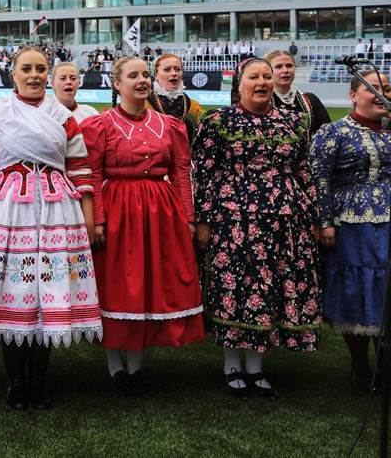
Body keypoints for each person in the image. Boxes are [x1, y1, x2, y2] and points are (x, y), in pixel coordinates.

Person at [0, 46, 101, 410]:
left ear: (48, 74)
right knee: (12, 289)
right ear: (12, 73)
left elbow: (81, 169)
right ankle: (15, 381)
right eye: (26, 68)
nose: (34, 75)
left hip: (58, 209)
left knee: (50, 290)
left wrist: (89, 224)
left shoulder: (62, 114)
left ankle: (39, 381)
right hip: (9, 210)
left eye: (41, 69)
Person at [193, 57, 322, 399]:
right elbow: (203, 174)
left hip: (285, 222)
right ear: (240, 83)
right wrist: (203, 221)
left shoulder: (293, 122)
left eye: (267, 76)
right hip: (235, 223)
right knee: (235, 289)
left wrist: (313, 216)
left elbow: (304, 172)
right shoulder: (218, 121)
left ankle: (256, 367)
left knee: (269, 291)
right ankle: (231, 365)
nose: (262, 82)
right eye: (254, 77)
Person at [80, 56, 203, 395]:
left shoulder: (169, 125)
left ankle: (135, 366)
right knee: (119, 286)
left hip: (160, 212)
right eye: (132, 75)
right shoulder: (100, 125)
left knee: (147, 286)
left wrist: (187, 218)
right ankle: (114, 365)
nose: (141, 80)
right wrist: (98, 220)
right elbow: (93, 174)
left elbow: (180, 173)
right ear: (116, 84)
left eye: (145, 74)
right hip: (119, 211)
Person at [311, 69, 391, 389]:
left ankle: (384, 367)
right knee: (358, 292)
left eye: (387, 88)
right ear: (353, 95)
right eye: (374, 88)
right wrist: (325, 221)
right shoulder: (334, 132)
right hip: (354, 224)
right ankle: (360, 366)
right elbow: (319, 179)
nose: (382, 93)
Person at [265, 49, 331, 137]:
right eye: (278, 67)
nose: (285, 70)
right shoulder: (261, 101)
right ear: (267, 71)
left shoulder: (310, 100)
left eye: (289, 66)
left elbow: (328, 135)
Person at [145, 54, 205, 143]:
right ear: (156, 74)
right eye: (167, 69)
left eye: (178, 69)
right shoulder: (143, 106)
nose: (174, 73)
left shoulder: (193, 106)